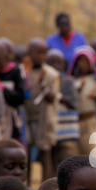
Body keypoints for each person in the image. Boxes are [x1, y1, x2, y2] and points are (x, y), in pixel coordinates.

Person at [23, 38, 60, 182]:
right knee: (26, 152)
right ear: (29, 53)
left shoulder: (51, 74)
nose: (42, 57)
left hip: (44, 118)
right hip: (26, 116)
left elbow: (53, 97)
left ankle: (46, 184)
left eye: (44, 53)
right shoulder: (24, 71)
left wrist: (45, 88)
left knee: (45, 152)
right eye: (38, 53)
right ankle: (27, 184)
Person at [67, 46, 96, 155]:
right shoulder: (71, 81)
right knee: (75, 154)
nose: (83, 64)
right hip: (74, 123)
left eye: (86, 61)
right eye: (81, 61)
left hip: (90, 121)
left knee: (93, 153)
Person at [46, 49, 80, 172]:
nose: (55, 66)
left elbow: (73, 103)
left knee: (62, 156)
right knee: (50, 157)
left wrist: (57, 96)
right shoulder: (45, 80)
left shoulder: (67, 81)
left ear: (64, 65)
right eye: (51, 62)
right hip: (49, 124)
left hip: (65, 127)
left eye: (58, 62)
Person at [0, 40, 25, 142]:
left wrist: (0, 86)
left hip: (10, 121)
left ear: (6, 58)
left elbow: (20, 98)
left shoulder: (15, 72)